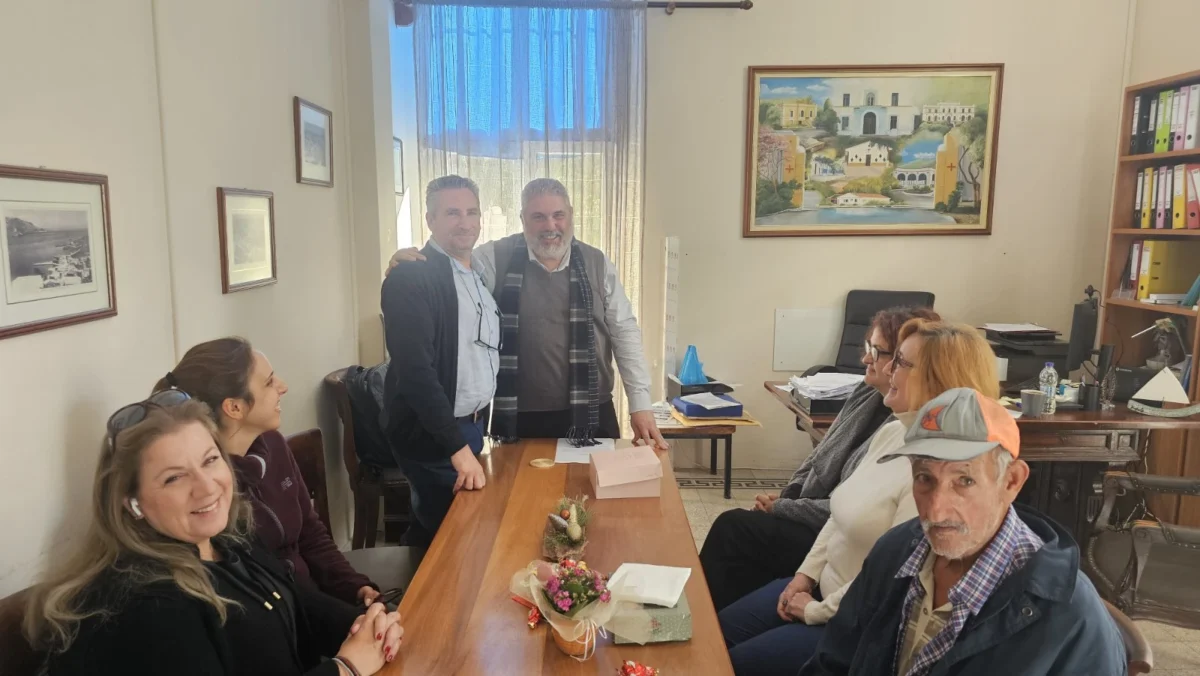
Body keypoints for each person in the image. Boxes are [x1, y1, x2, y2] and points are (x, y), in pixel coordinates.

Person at [24, 392, 403, 676]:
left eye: (210, 460)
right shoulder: (143, 605)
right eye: (174, 478)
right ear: (132, 503)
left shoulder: (226, 539)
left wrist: (370, 625)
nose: (206, 487)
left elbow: (297, 604)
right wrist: (346, 667)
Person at [719, 320, 1000, 675]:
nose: (888, 369)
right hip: (821, 591)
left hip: (854, 623)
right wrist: (804, 576)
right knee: (713, 636)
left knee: (727, 666)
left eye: (901, 362)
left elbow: (891, 579)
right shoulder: (892, 432)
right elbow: (838, 515)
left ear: (938, 379)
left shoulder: (937, 475)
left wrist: (814, 611)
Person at [799, 388, 1126, 675]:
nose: (936, 511)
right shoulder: (894, 552)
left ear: (1011, 481)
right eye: (925, 478)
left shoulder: (1072, 615)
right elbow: (832, 663)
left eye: (964, 480)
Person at [386, 177, 665, 448]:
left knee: (594, 482)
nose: (550, 226)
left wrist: (640, 404)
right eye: (538, 217)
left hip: (592, 411)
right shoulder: (492, 258)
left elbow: (624, 332)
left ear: (570, 215)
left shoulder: (597, 262)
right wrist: (410, 265)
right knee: (521, 483)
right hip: (521, 417)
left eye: (558, 215)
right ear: (522, 219)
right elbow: (451, 267)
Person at [700, 306, 940, 611]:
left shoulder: (904, 429)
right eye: (868, 347)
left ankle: (705, 619)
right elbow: (818, 456)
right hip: (819, 520)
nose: (866, 359)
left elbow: (850, 508)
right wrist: (789, 496)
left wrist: (785, 508)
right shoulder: (866, 395)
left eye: (877, 352)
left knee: (734, 528)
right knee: (743, 534)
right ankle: (718, 617)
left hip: (837, 535)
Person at [156, 337, 379, 606]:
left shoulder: (273, 444)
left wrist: (356, 588)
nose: (282, 387)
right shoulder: (209, 489)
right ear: (234, 407)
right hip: (280, 614)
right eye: (269, 382)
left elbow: (310, 534)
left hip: (316, 606)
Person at [381, 175, 499, 547]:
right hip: (436, 436)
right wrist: (456, 449)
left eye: (471, 212)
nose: (465, 222)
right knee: (453, 545)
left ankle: (411, 576)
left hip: (471, 427)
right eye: (452, 213)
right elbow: (415, 372)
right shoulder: (410, 278)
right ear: (430, 219)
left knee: (440, 533)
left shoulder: (478, 271)